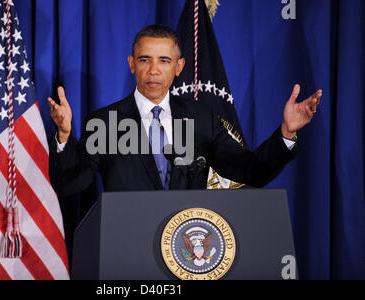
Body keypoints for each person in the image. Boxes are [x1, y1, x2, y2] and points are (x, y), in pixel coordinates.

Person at [47, 24, 322, 198]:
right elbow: (71, 185)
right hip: (126, 249)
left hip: (187, 249)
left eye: (164, 61)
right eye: (145, 60)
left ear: (178, 67)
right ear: (132, 64)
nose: (154, 70)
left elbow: (252, 171)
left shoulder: (203, 118)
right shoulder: (104, 123)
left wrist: (286, 133)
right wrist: (63, 135)